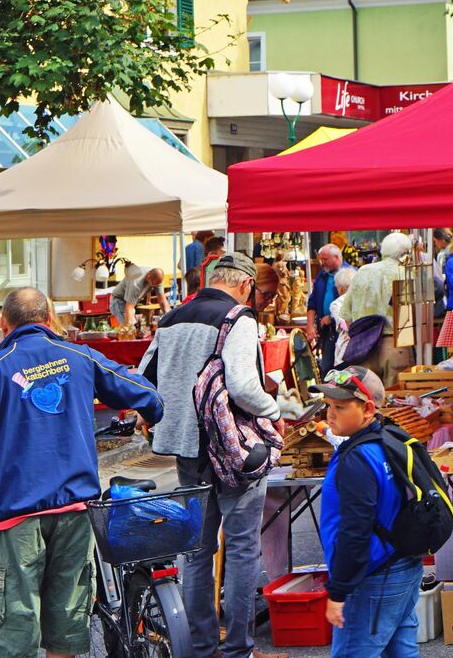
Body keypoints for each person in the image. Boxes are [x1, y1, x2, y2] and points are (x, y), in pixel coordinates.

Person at [0, 287, 163, 658]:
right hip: (75, 512)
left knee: (11, 631)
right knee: (65, 625)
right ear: (49, 319)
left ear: (4, 324)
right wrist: (149, 414)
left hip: (15, 514)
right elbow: (147, 395)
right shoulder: (80, 356)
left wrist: (3, 454)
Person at [141, 252, 299, 658]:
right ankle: (238, 648)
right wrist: (273, 411)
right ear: (245, 284)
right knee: (243, 546)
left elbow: (144, 378)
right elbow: (244, 387)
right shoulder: (237, 318)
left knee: (198, 549)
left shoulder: (172, 318)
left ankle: (202, 646)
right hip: (232, 447)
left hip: (186, 446)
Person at [319, 366, 424, 658]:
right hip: (402, 565)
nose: (330, 414)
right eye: (328, 405)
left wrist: (338, 591)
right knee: (402, 652)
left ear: (367, 409)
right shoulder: (388, 440)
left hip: (372, 577)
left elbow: (355, 530)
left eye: (340, 407)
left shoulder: (357, 459)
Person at [339, 232, 418, 380]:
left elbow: (346, 315)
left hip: (363, 346)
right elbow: (410, 315)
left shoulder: (362, 271)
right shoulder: (405, 274)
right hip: (395, 344)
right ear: (405, 253)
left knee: (367, 392)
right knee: (396, 393)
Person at [307, 242, 346, 370]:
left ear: (337, 257)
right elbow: (312, 301)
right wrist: (310, 325)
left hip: (343, 332)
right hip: (326, 332)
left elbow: (351, 304)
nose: (322, 263)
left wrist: (331, 317)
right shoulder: (322, 275)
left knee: (341, 367)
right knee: (326, 368)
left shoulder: (349, 274)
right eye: (321, 259)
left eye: (325, 259)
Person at [110, 265, 164, 330]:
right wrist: (128, 329)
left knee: (134, 328)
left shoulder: (157, 278)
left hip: (129, 303)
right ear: (148, 277)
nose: (154, 287)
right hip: (119, 301)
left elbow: (163, 301)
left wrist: (169, 317)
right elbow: (129, 308)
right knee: (129, 329)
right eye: (153, 284)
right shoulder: (136, 282)